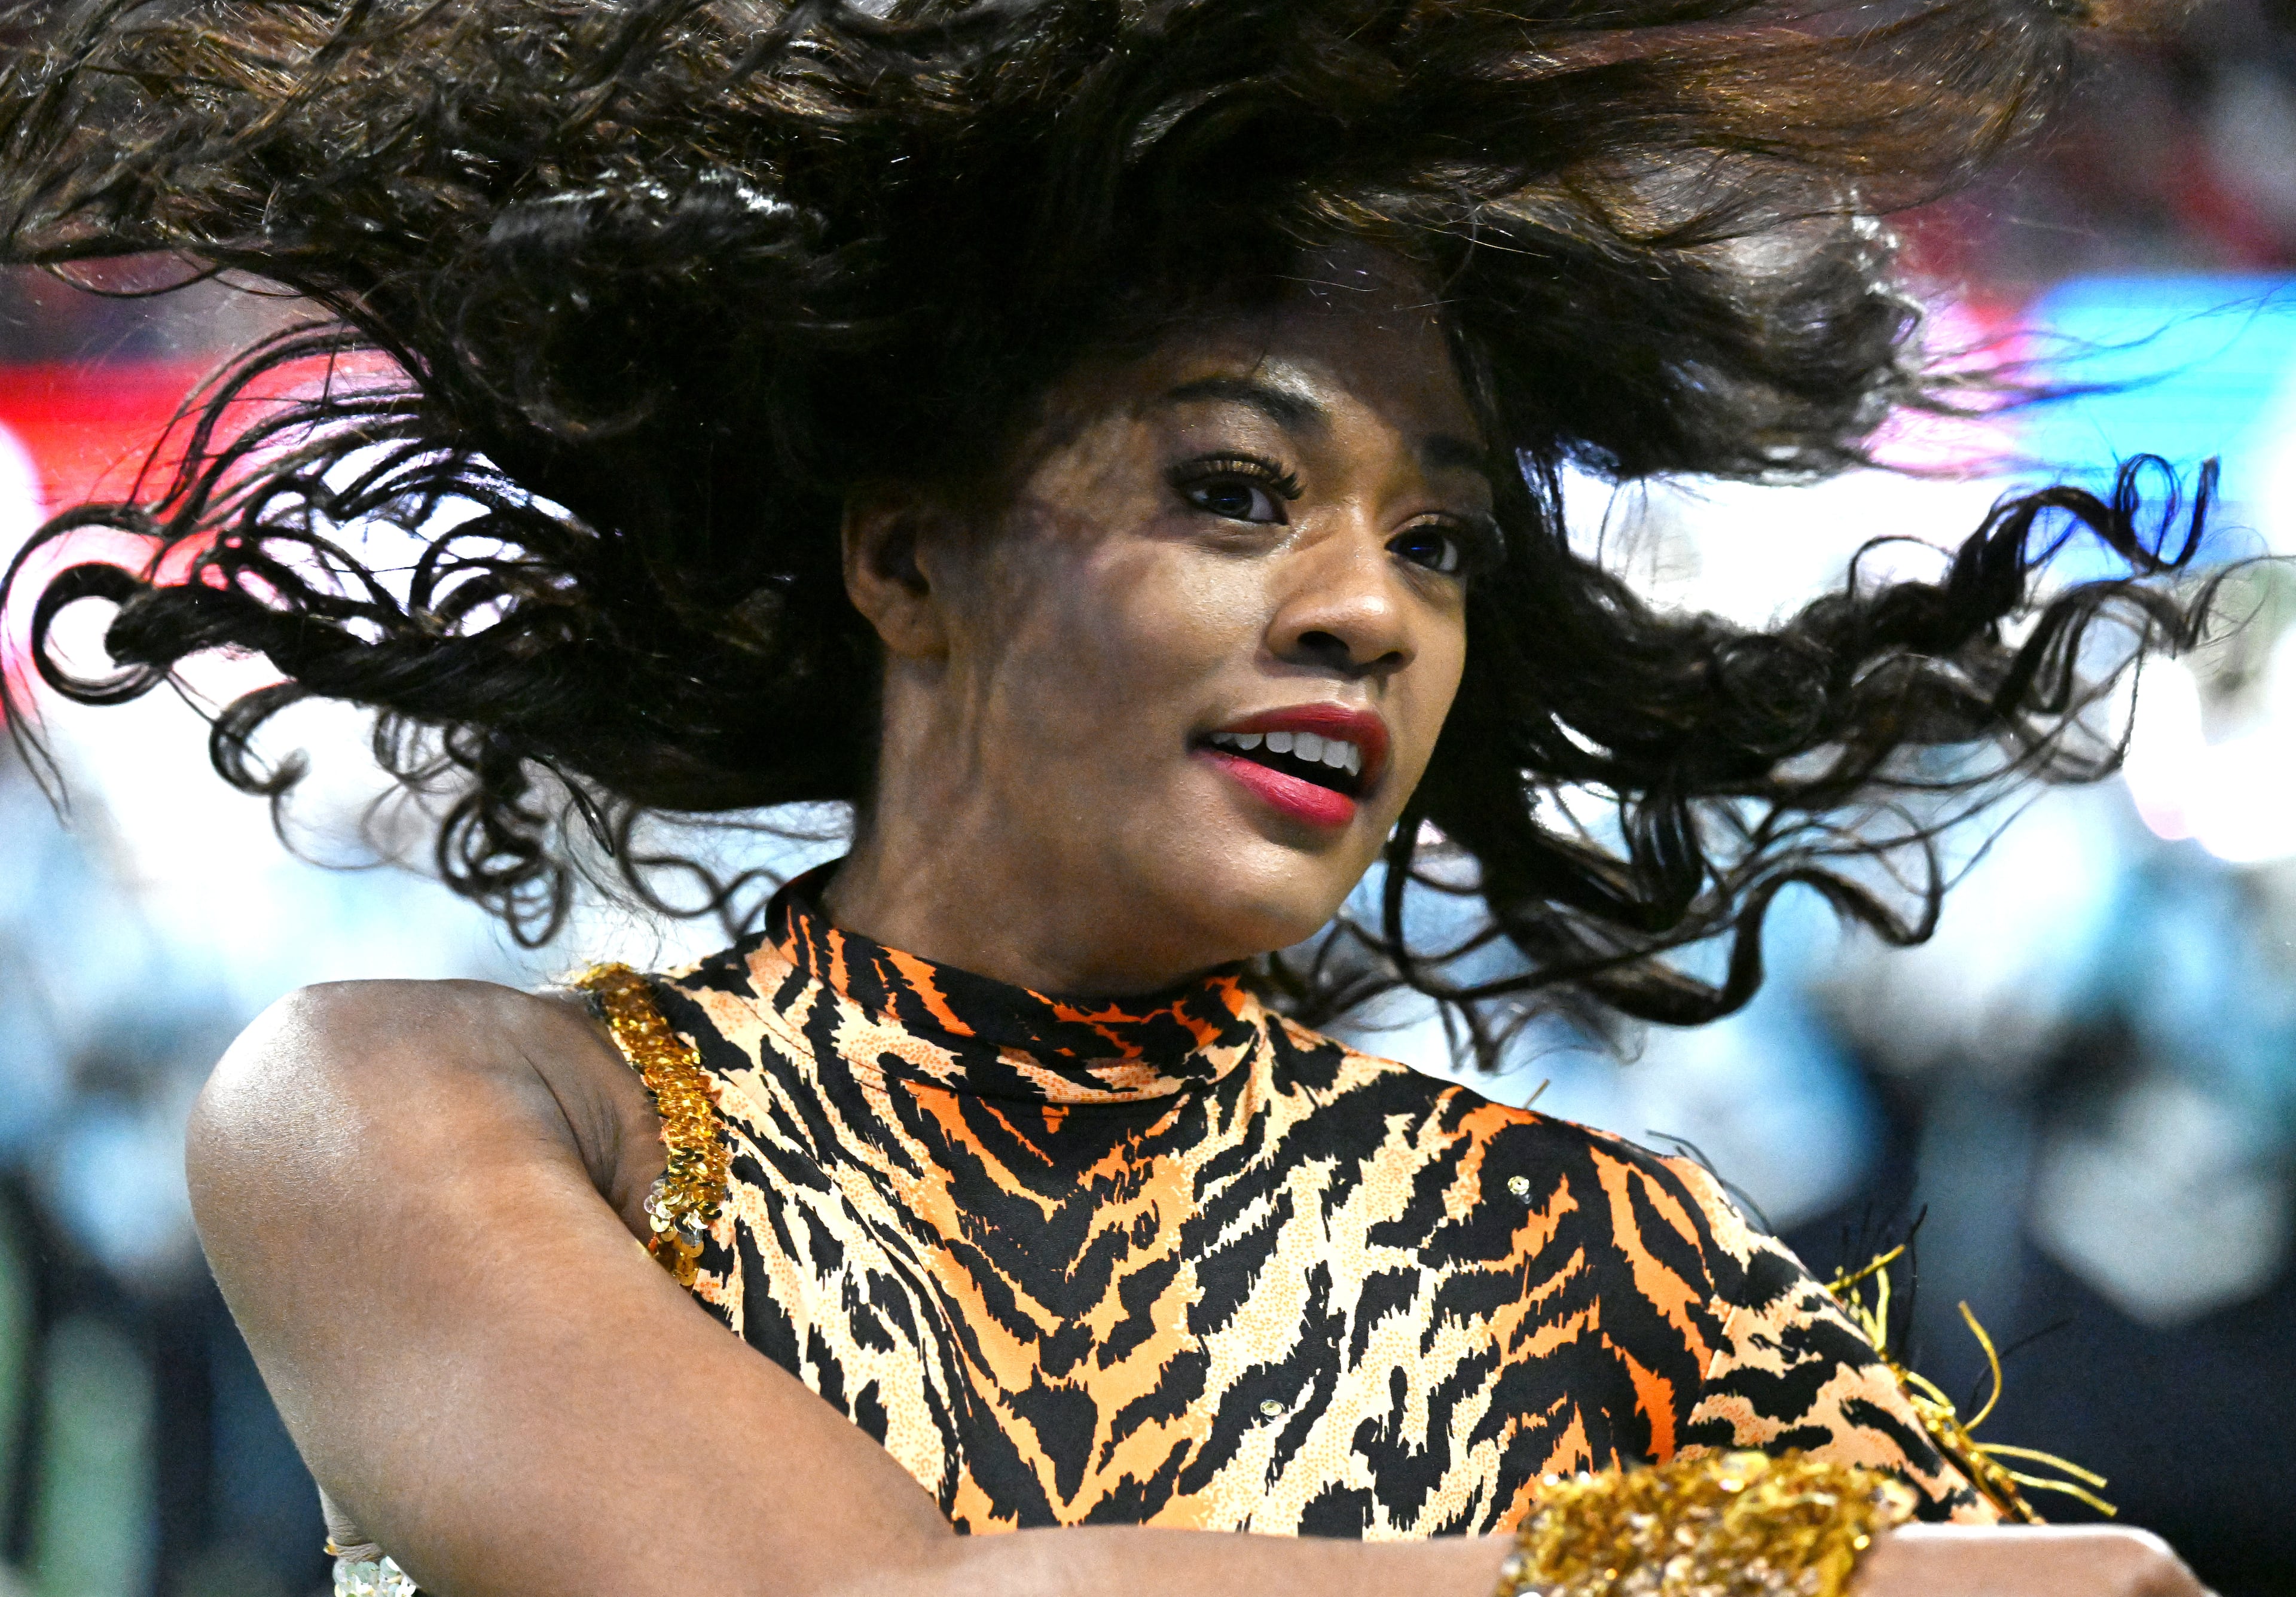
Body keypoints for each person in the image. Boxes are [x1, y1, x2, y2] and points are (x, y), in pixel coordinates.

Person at [0, 0, 2216, 1594]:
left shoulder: (1599, 1249)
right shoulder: (428, 1110)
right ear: (907, 554)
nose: (1372, 612)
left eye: (1442, 541)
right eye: (1240, 490)